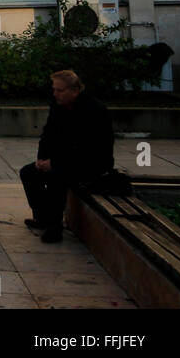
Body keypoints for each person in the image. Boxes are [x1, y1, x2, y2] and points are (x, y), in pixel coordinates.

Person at [20, 69, 114, 244]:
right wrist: (42, 159)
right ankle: (42, 217)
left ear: (75, 90)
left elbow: (86, 149)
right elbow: (48, 134)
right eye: (54, 89)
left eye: (60, 90)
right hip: (65, 160)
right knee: (28, 172)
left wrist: (54, 163)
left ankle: (54, 228)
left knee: (58, 177)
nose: (55, 94)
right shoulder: (58, 105)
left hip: (91, 164)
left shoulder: (94, 110)